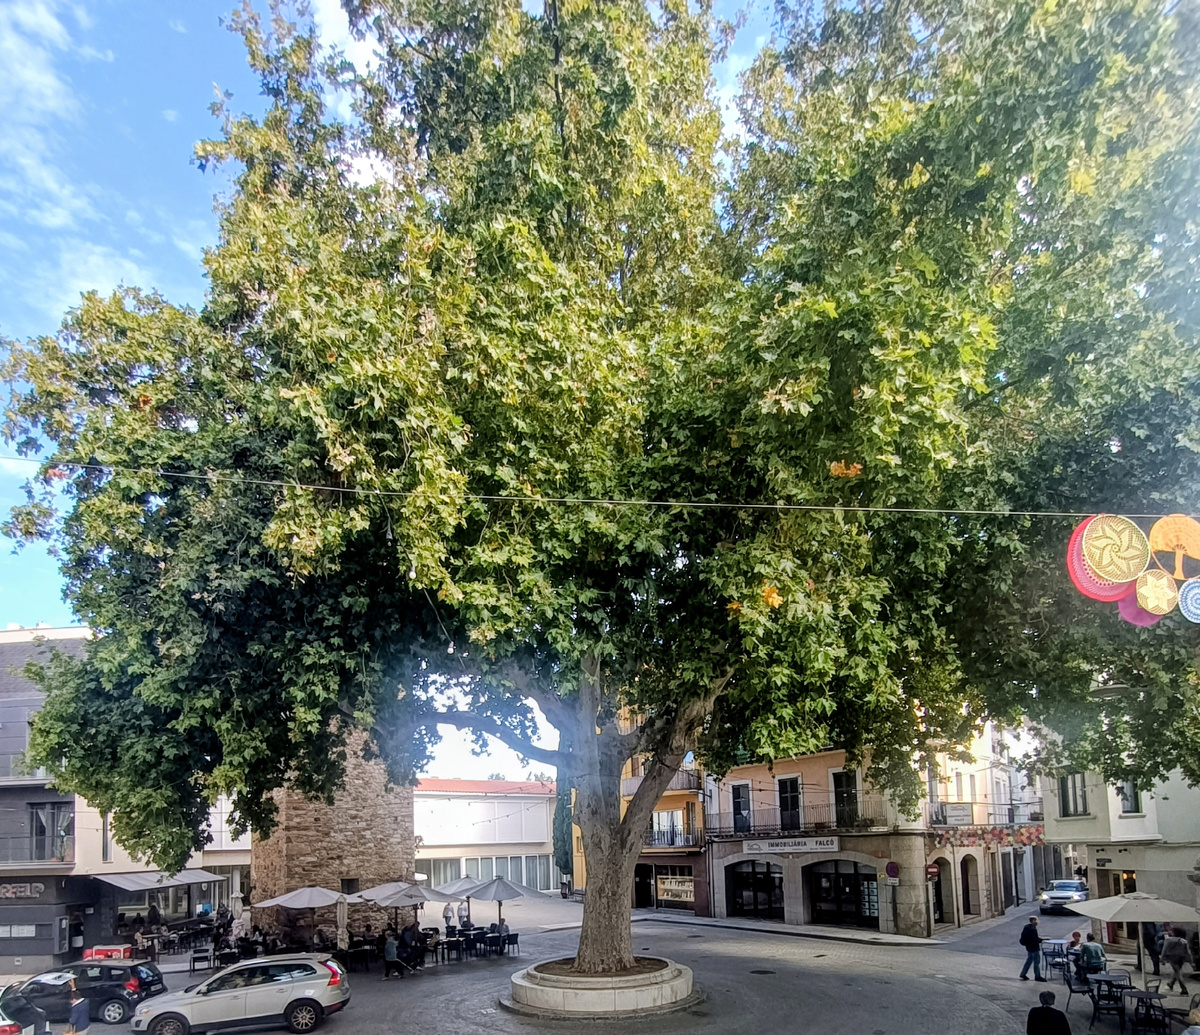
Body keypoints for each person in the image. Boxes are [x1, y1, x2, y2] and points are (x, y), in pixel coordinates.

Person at [1162, 925, 1193, 994]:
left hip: (1172, 957)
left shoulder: (1169, 940)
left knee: (1178, 972)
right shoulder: (1184, 941)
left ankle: (1184, 989)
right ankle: (1171, 983)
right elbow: (1187, 951)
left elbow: (1164, 949)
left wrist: (1162, 958)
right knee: (1177, 971)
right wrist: (1190, 960)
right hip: (1181, 957)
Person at [1020, 916, 1047, 982]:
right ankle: (1037, 976)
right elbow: (1035, 939)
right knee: (1036, 962)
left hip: (1028, 947)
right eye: (1036, 920)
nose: (1037, 922)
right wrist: (1041, 940)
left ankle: (1023, 974)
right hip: (1034, 947)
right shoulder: (1033, 929)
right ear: (1033, 921)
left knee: (1029, 961)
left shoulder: (1026, 927)